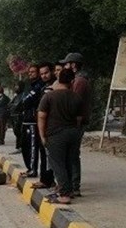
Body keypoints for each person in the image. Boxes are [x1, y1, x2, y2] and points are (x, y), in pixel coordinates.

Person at [38, 68, 86, 205]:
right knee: (69, 162)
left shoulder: (49, 96)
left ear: (58, 79)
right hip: (73, 133)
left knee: (57, 164)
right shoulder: (76, 97)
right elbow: (79, 118)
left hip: (55, 134)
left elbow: (41, 116)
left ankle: (64, 195)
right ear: (72, 81)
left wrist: (42, 135)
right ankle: (69, 190)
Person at [60, 52, 91, 197]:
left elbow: (75, 103)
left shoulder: (79, 81)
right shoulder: (77, 80)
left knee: (72, 155)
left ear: (73, 65)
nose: (64, 67)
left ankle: (74, 186)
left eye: (66, 64)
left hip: (76, 123)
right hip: (73, 122)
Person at [21, 64, 44, 177]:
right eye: (29, 72)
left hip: (33, 120)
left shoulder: (39, 85)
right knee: (25, 146)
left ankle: (33, 170)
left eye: (33, 72)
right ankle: (29, 168)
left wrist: (24, 102)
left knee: (33, 146)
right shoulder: (29, 85)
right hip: (26, 119)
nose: (30, 74)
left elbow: (27, 101)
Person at [9, 81, 26, 154]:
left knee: (20, 132)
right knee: (16, 132)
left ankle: (21, 147)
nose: (16, 88)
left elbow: (17, 105)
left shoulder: (23, 95)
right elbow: (10, 105)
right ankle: (19, 147)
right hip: (14, 117)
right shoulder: (16, 96)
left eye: (17, 86)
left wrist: (13, 106)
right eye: (15, 86)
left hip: (19, 117)